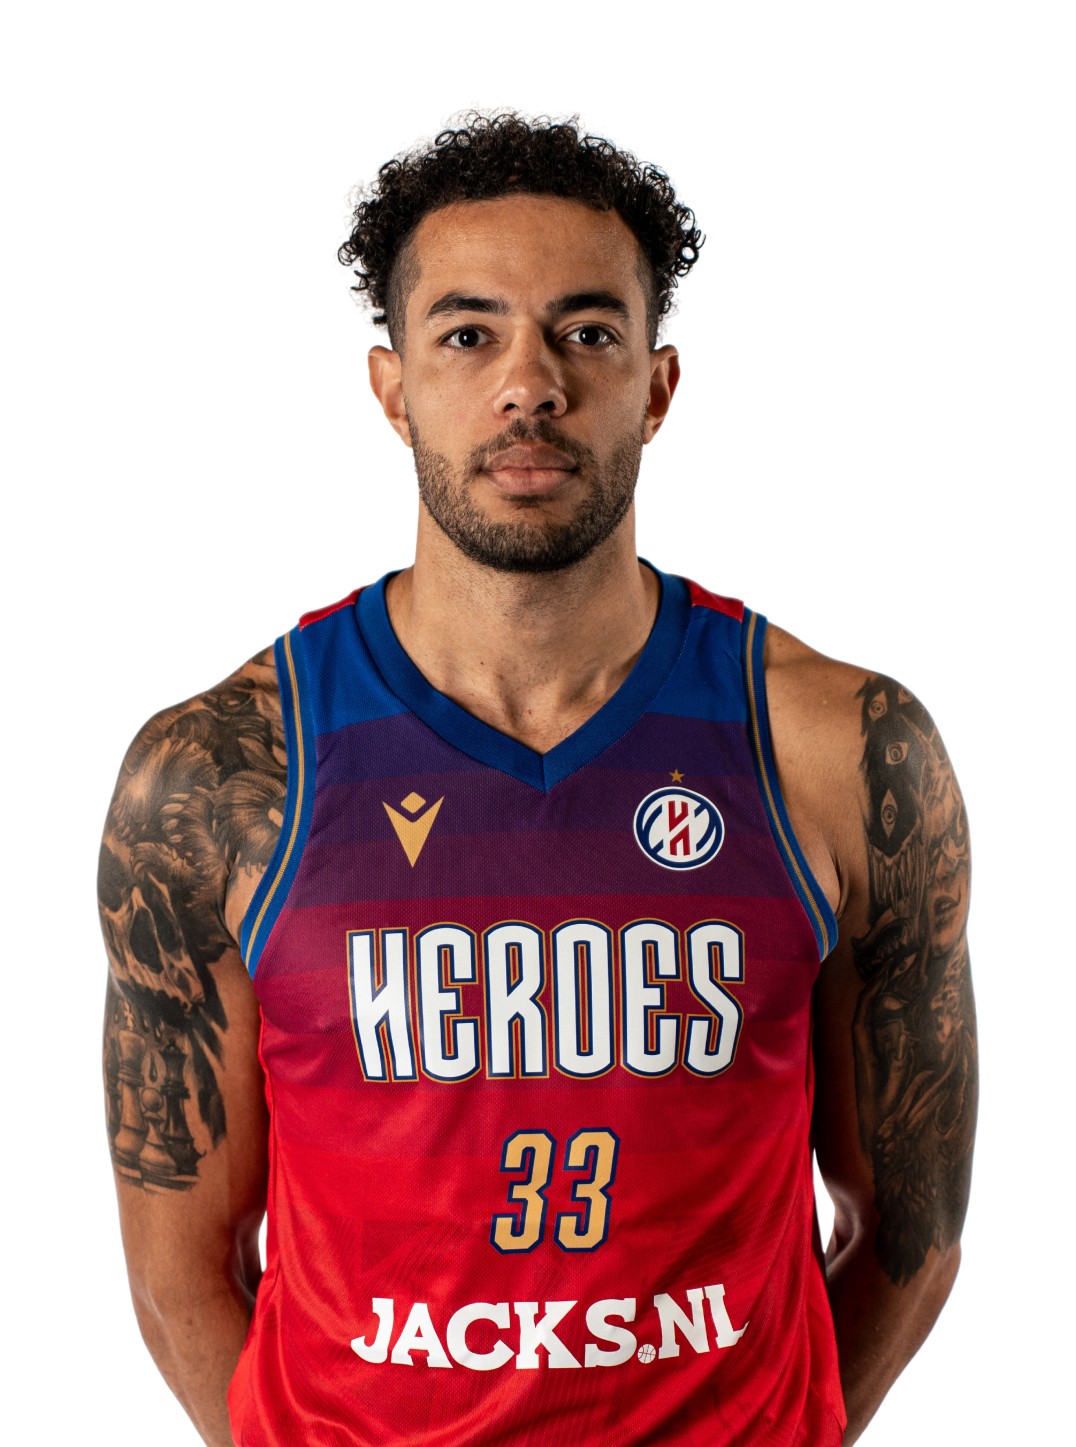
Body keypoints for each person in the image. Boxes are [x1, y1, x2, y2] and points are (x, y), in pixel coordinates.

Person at [98, 112, 977, 1447]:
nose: (530, 385)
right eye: (468, 335)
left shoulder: (839, 751)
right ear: (392, 387)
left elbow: (912, 1231)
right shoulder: (220, 778)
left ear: (657, 386)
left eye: (587, 332)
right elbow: (179, 1277)